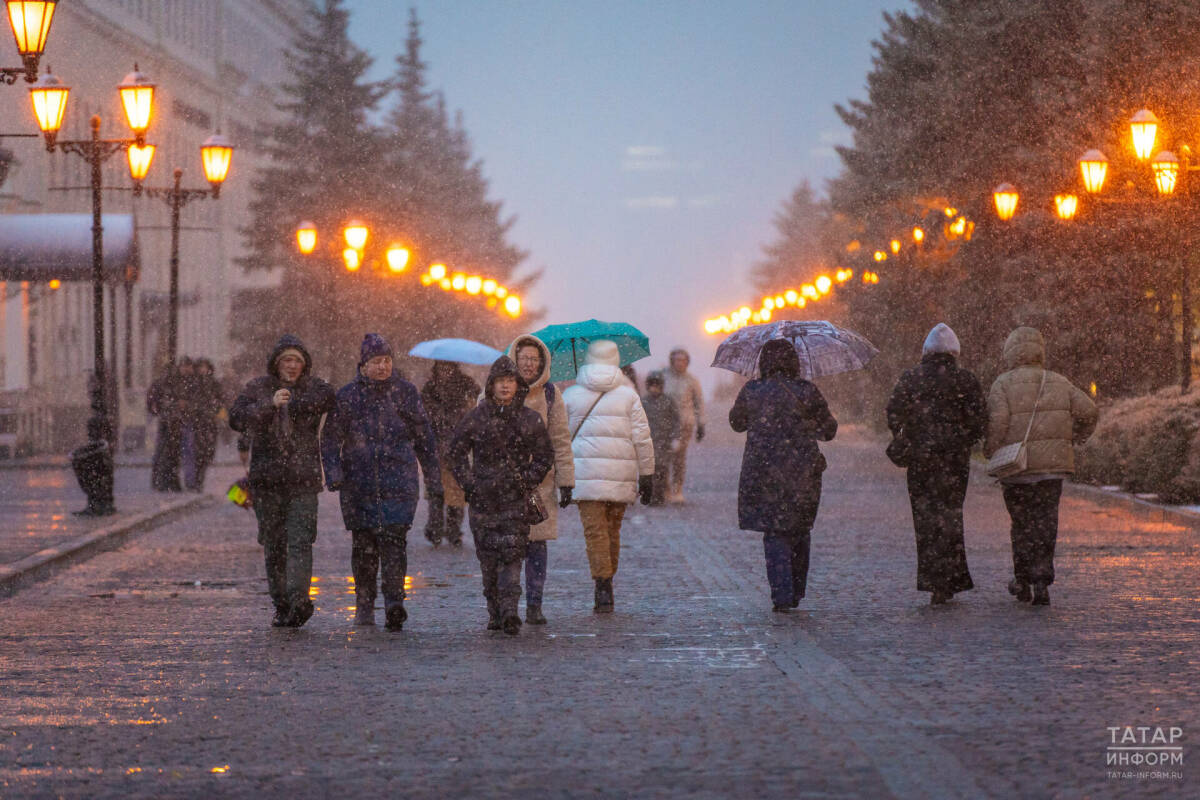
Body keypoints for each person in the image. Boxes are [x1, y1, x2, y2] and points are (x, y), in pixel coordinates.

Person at [322, 334, 442, 631]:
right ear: (363, 365)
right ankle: (364, 604)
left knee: (394, 543)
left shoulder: (405, 392)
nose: (383, 366)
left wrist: (432, 475)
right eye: (376, 361)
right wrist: (333, 472)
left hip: (399, 481)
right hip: (358, 484)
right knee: (364, 546)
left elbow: (424, 437)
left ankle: (393, 602)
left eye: (387, 360)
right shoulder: (348, 396)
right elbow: (331, 438)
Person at [985, 326, 1097, 606]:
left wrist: (990, 449)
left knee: (1022, 524)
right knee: (1046, 523)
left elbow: (997, 423)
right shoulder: (1058, 381)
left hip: (1017, 469)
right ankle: (1042, 580)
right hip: (1051, 469)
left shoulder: (1002, 384)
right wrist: (1075, 437)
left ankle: (1022, 579)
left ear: (1010, 352)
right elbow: (1089, 411)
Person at [230, 334, 335, 628]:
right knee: (274, 543)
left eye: (297, 361)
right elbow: (236, 418)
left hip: (303, 480)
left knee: (301, 540)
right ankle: (282, 603)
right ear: (276, 364)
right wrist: (270, 405)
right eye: (286, 360)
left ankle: (299, 600)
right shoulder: (258, 388)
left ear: (304, 365)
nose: (292, 366)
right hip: (267, 481)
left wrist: (296, 402)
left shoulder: (314, 387)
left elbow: (328, 397)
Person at [448, 356, 554, 635]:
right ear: (491, 385)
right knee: (488, 558)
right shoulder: (476, 417)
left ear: (517, 385)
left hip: (514, 499)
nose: (505, 386)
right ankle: (494, 611)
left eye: (510, 381)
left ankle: (510, 611)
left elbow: (544, 456)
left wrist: (527, 479)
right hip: (483, 500)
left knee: (512, 554)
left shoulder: (530, 419)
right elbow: (455, 454)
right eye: (500, 381)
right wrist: (470, 484)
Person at [730, 339, 837, 612]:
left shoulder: (752, 390)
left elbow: (736, 423)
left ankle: (781, 594)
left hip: (763, 470)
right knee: (799, 528)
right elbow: (829, 431)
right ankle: (796, 590)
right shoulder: (807, 391)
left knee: (774, 531)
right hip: (803, 471)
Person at [886, 323, 987, 605]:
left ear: (926, 351)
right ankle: (951, 578)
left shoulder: (911, 378)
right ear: (955, 352)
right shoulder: (965, 380)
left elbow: (893, 411)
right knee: (952, 516)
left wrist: (905, 434)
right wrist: (964, 439)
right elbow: (979, 419)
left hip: (921, 461)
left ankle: (934, 581)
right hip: (954, 461)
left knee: (926, 519)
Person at [563, 340, 655, 612]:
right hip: (620, 475)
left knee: (595, 532)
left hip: (585, 475)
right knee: (613, 530)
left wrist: (561, 479)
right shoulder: (629, 395)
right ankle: (607, 578)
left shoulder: (571, 395)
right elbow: (642, 438)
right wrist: (647, 474)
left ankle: (602, 582)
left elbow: (560, 439)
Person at [506, 334, 575, 625]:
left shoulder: (550, 394)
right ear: (514, 360)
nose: (529, 365)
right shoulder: (498, 388)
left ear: (542, 362)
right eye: (524, 359)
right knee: (507, 547)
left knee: (536, 545)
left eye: (534, 359)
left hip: (539, 481)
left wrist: (566, 480)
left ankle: (535, 604)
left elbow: (560, 438)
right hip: (504, 482)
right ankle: (508, 606)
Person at [420, 360, 481, 547]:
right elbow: (424, 416)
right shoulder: (430, 389)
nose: (445, 372)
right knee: (436, 490)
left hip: (458, 448)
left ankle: (453, 530)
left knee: (457, 492)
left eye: (448, 368)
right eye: (441, 368)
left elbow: (475, 407)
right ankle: (435, 528)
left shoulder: (467, 385)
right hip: (436, 447)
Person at [662, 347, 705, 503]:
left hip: (684, 424)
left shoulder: (692, 381)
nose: (680, 363)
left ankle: (677, 489)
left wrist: (701, 424)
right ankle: (665, 489)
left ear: (687, 362)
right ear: (672, 361)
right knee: (663, 457)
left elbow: (699, 403)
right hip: (665, 423)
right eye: (677, 360)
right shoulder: (663, 377)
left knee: (679, 457)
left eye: (683, 360)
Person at [183, 357, 224, 492]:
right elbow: (189, 400)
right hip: (196, 422)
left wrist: (215, 411)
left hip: (210, 423)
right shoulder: (192, 383)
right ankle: (195, 482)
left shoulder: (214, 384)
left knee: (207, 452)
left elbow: (220, 400)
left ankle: (199, 480)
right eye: (200, 367)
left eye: (204, 367)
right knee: (196, 452)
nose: (202, 370)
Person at [640, 371, 680, 506]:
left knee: (662, 470)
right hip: (648, 442)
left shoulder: (668, 401)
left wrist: (676, 437)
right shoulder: (644, 402)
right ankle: (649, 495)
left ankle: (659, 496)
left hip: (664, 442)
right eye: (652, 385)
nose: (654, 388)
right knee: (649, 470)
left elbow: (676, 420)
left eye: (657, 385)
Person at [147, 361, 183, 492]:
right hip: (169, 421)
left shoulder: (162, 384)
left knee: (166, 452)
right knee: (168, 452)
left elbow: (152, 403)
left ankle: (163, 481)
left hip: (169, 421)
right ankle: (166, 481)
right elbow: (154, 403)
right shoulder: (169, 385)